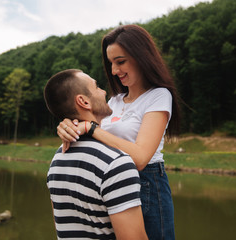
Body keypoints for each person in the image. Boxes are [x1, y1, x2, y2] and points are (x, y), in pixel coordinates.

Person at [57, 24, 180, 240]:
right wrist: (67, 126)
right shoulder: (113, 101)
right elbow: (86, 122)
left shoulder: (159, 96)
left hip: (147, 184)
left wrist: (92, 128)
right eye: (111, 63)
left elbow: (141, 158)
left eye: (120, 62)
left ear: (142, 57)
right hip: (111, 180)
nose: (114, 71)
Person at [44, 69, 148, 240]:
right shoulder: (116, 164)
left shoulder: (57, 160)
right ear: (84, 101)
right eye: (97, 87)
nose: (104, 91)